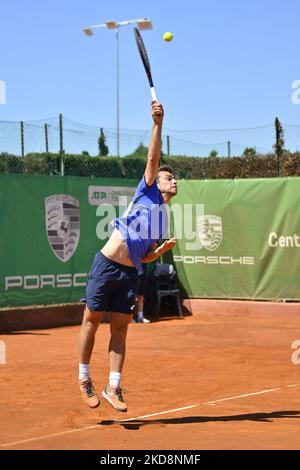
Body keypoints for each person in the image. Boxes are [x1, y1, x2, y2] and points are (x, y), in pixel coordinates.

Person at [78, 101, 177, 412]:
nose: (173, 181)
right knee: (91, 322)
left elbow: (144, 256)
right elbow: (153, 156)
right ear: (155, 182)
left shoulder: (163, 217)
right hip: (107, 265)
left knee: (120, 328)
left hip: (129, 273)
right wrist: (158, 124)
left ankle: (114, 386)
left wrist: (157, 252)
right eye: (168, 178)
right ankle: (83, 378)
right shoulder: (147, 190)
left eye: (174, 179)